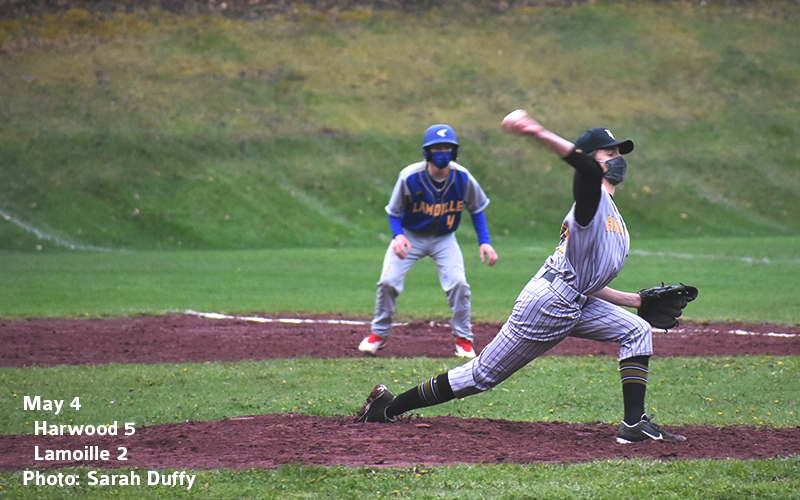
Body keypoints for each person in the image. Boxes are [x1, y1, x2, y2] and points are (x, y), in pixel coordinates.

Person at [354, 110, 686, 444]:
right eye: (610, 153)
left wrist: (637, 301)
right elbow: (584, 170)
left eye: (618, 154)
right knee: (480, 376)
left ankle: (633, 425)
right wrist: (537, 132)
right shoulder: (592, 199)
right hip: (548, 304)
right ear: (591, 161)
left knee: (637, 329)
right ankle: (387, 407)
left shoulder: (613, 213)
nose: (618, 160)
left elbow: (587, 280)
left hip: (576, 299)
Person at [358, 124, 499, 359]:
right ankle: (378, 334)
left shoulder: (462, 177)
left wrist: (484, 241)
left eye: (447, 148)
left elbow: (477, 210)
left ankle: (463, 340)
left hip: (444, 238)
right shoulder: (410, 177)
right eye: (437, 148)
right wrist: (398, 235)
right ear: (427, 152)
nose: (442, 152)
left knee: (459, 284)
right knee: (388, 282)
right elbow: (394, 211)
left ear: (454, 151)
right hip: (410, 237)